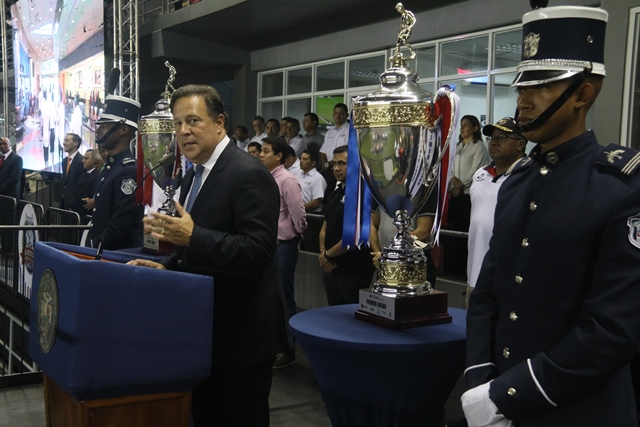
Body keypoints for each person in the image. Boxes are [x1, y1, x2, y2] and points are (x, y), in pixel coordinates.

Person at [462, 6, 640, 427]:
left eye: (542, 87)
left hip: (579, 410)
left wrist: (507, 396)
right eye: (522, 85)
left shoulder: (619, 186)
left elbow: (613, 328)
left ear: (582, 94)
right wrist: (481, 379)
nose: (523, 100)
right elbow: (488, 293)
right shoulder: (518, 181)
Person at [128, 84, 289, 426]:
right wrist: (166, 266)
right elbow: (192, 248)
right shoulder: (194, 175)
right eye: (177, 123)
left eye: (193, 121)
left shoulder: (248, 173)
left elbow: (258, 251)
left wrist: (193, 236)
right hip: (204, 330)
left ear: (219, 123)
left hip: (240, 337)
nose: (183, 131)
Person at [465, 117, 526, 309]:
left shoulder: (529, 177)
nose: (495, 142)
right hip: (475, 277)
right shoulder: (480, 174)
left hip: (510, 279)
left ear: (520, 144)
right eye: (492, 137)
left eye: (503, 137)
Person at [260, 136, 307, 369]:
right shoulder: (266, 178)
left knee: (284, 297)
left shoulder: (287, 180)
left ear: (278, 156)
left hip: (283, 245)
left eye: (266, 151)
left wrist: (295, 232)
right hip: (268, 244)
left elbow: (298, 213)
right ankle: (274, 344)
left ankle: (288, 349)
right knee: (270, 297)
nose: (261, 155)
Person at [319, 145, 375, 305]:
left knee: (352, 314)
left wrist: (328, 255)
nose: (336, 168)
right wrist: (323, 255)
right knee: (333, 313)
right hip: (331, 267)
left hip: (353, 270)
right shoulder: (335, 192)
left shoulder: (363, 193)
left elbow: (355, 235)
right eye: (334, 163)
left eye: (342, 163)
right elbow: (324, 228)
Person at [86, 95, 144, 250]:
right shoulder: (111, 167)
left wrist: (97, 247)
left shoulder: (128, 171)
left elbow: (121, 226)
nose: (98, 130)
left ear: (123, 130)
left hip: (116, 255)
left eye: (105, 126)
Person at [447, 114, 489, 276]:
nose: (462, 128)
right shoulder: (457, 146)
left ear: (475, 128)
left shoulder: (479, 147)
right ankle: (455, 263)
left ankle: (466, 265)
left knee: (466, 229)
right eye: (462, 125)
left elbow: (477, 170)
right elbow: (450, 166)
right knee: (455, 229)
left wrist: (461, 184)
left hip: (467, 194)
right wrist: (453, 181)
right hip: (455, 193)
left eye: (466, 125)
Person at [69, 149, 103, 222]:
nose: (83, 161)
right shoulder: (83, 175)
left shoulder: (97, 176)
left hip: (86, 215)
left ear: (95, 161)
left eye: (86, 158)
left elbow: (89, 197)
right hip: (76, 214)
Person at [319, 103, 349, 174]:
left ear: (347, 115)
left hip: (342, 169)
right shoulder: (329, 132)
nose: (338, 115)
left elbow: (347, 151)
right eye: (336, 113)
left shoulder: (350, 131)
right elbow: (323, 152)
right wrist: (325, 165)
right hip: (328, 170)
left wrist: (330, 164)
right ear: (333, 115)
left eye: (341, 113)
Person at [60, 133, 85, 210]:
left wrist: (75, 203)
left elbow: (82, 184)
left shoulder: (82, 161)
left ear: (75, 143)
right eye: (64, 140)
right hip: (64, 202)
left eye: (67, 140)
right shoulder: (64, 161)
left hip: (75, 205)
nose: (64, 143)